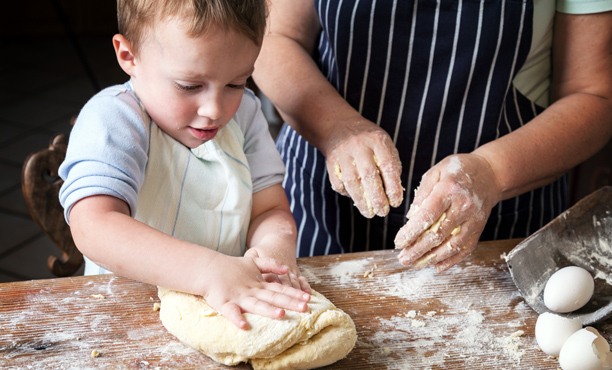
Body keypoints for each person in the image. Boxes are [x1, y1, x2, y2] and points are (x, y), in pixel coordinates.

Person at [252, 1, 612, 271]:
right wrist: (336, 128)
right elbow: (275, 36)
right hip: (324, 204)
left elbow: (594, 93)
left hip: (501, 219)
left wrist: (491, 171)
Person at [58, 0, 311, 330]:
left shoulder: (246, 115)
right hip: (127, 315)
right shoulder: (114, 118)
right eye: (190, 86)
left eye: (236, 83)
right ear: (128, 56)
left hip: (227, 311)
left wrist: (273, 253)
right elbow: (94, 226)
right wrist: (209, 272)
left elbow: (268, 210)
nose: (214, 109)